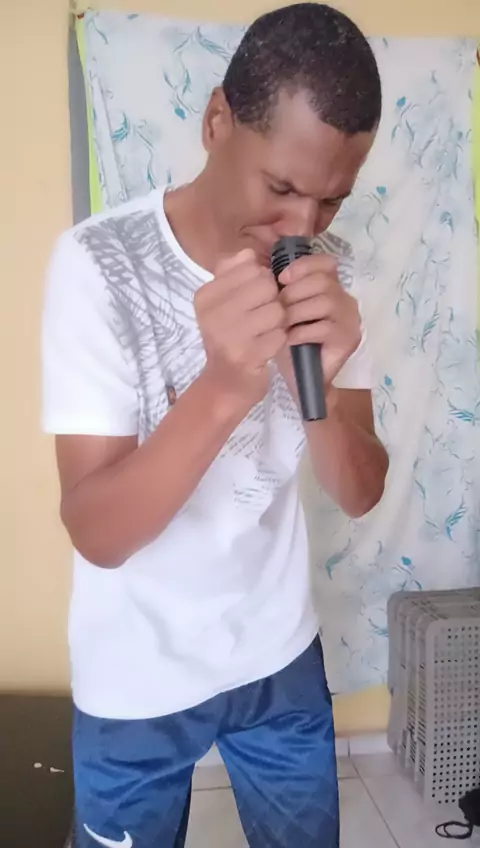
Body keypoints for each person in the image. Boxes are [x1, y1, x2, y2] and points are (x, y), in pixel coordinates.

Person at [42, 4, 389, 846]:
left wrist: (317, 385)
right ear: (215, 121)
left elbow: (360, 490)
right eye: (282, 189)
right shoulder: (99, 264)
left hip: (278, 655)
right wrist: (226, 384)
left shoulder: (328, 274)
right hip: (135, 679)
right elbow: (97, 533)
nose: (302, 230)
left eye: (331, 202)